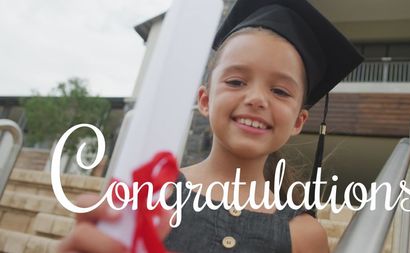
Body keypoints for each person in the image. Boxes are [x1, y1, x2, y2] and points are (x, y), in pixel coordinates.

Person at [57, 0, 363, 252]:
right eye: (236, 81)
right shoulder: (148, 197)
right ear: (204, 100)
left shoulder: (305, 236)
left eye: (280, 91)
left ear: (299, 121)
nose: (256, 99)